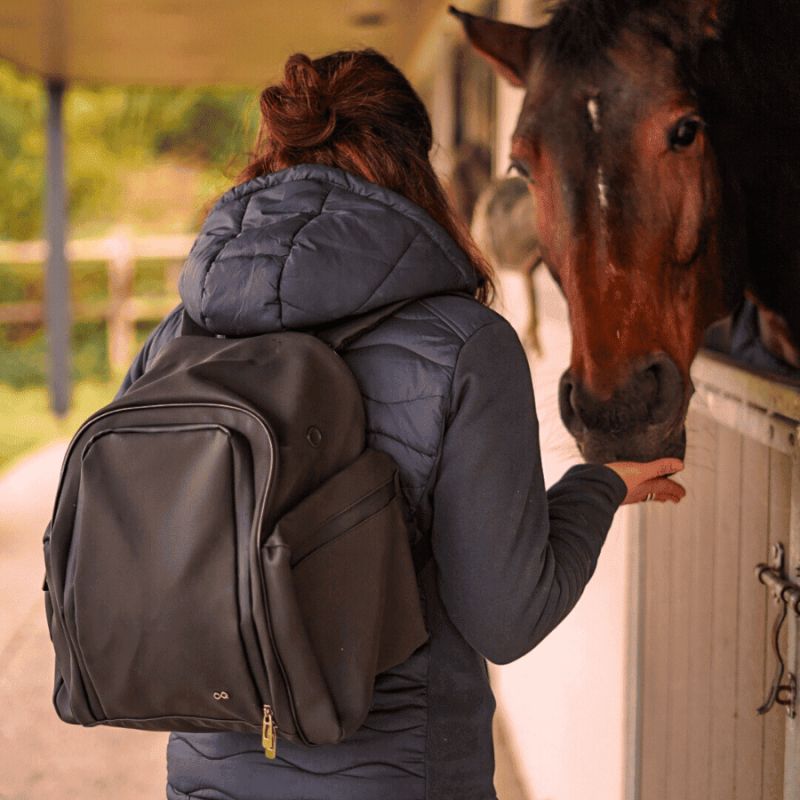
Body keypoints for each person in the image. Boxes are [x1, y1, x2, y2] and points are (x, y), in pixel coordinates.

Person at [118, 49, 685, 800]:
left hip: (206, 778)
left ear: (276, 154)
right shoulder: (466, 345)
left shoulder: (179, 335)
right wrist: (597, 489)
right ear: (415, 165)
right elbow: (506, 616)